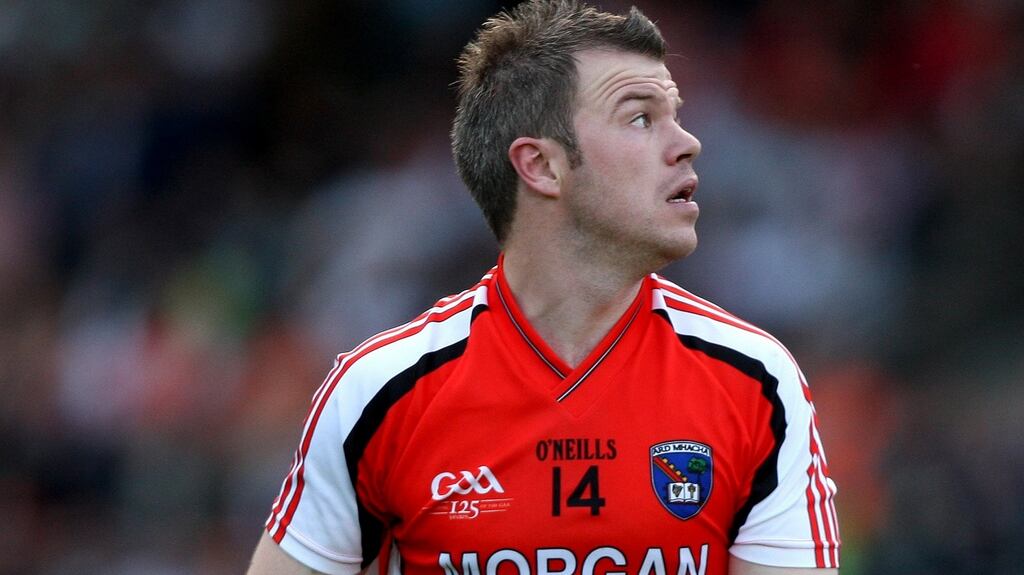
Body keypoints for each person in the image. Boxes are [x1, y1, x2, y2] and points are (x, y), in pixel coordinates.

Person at [246, 1, 840, 574]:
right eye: (640, 117)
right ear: (541, 166)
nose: (688, 142)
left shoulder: (756, 381)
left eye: (676, 115)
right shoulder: (378, 393)